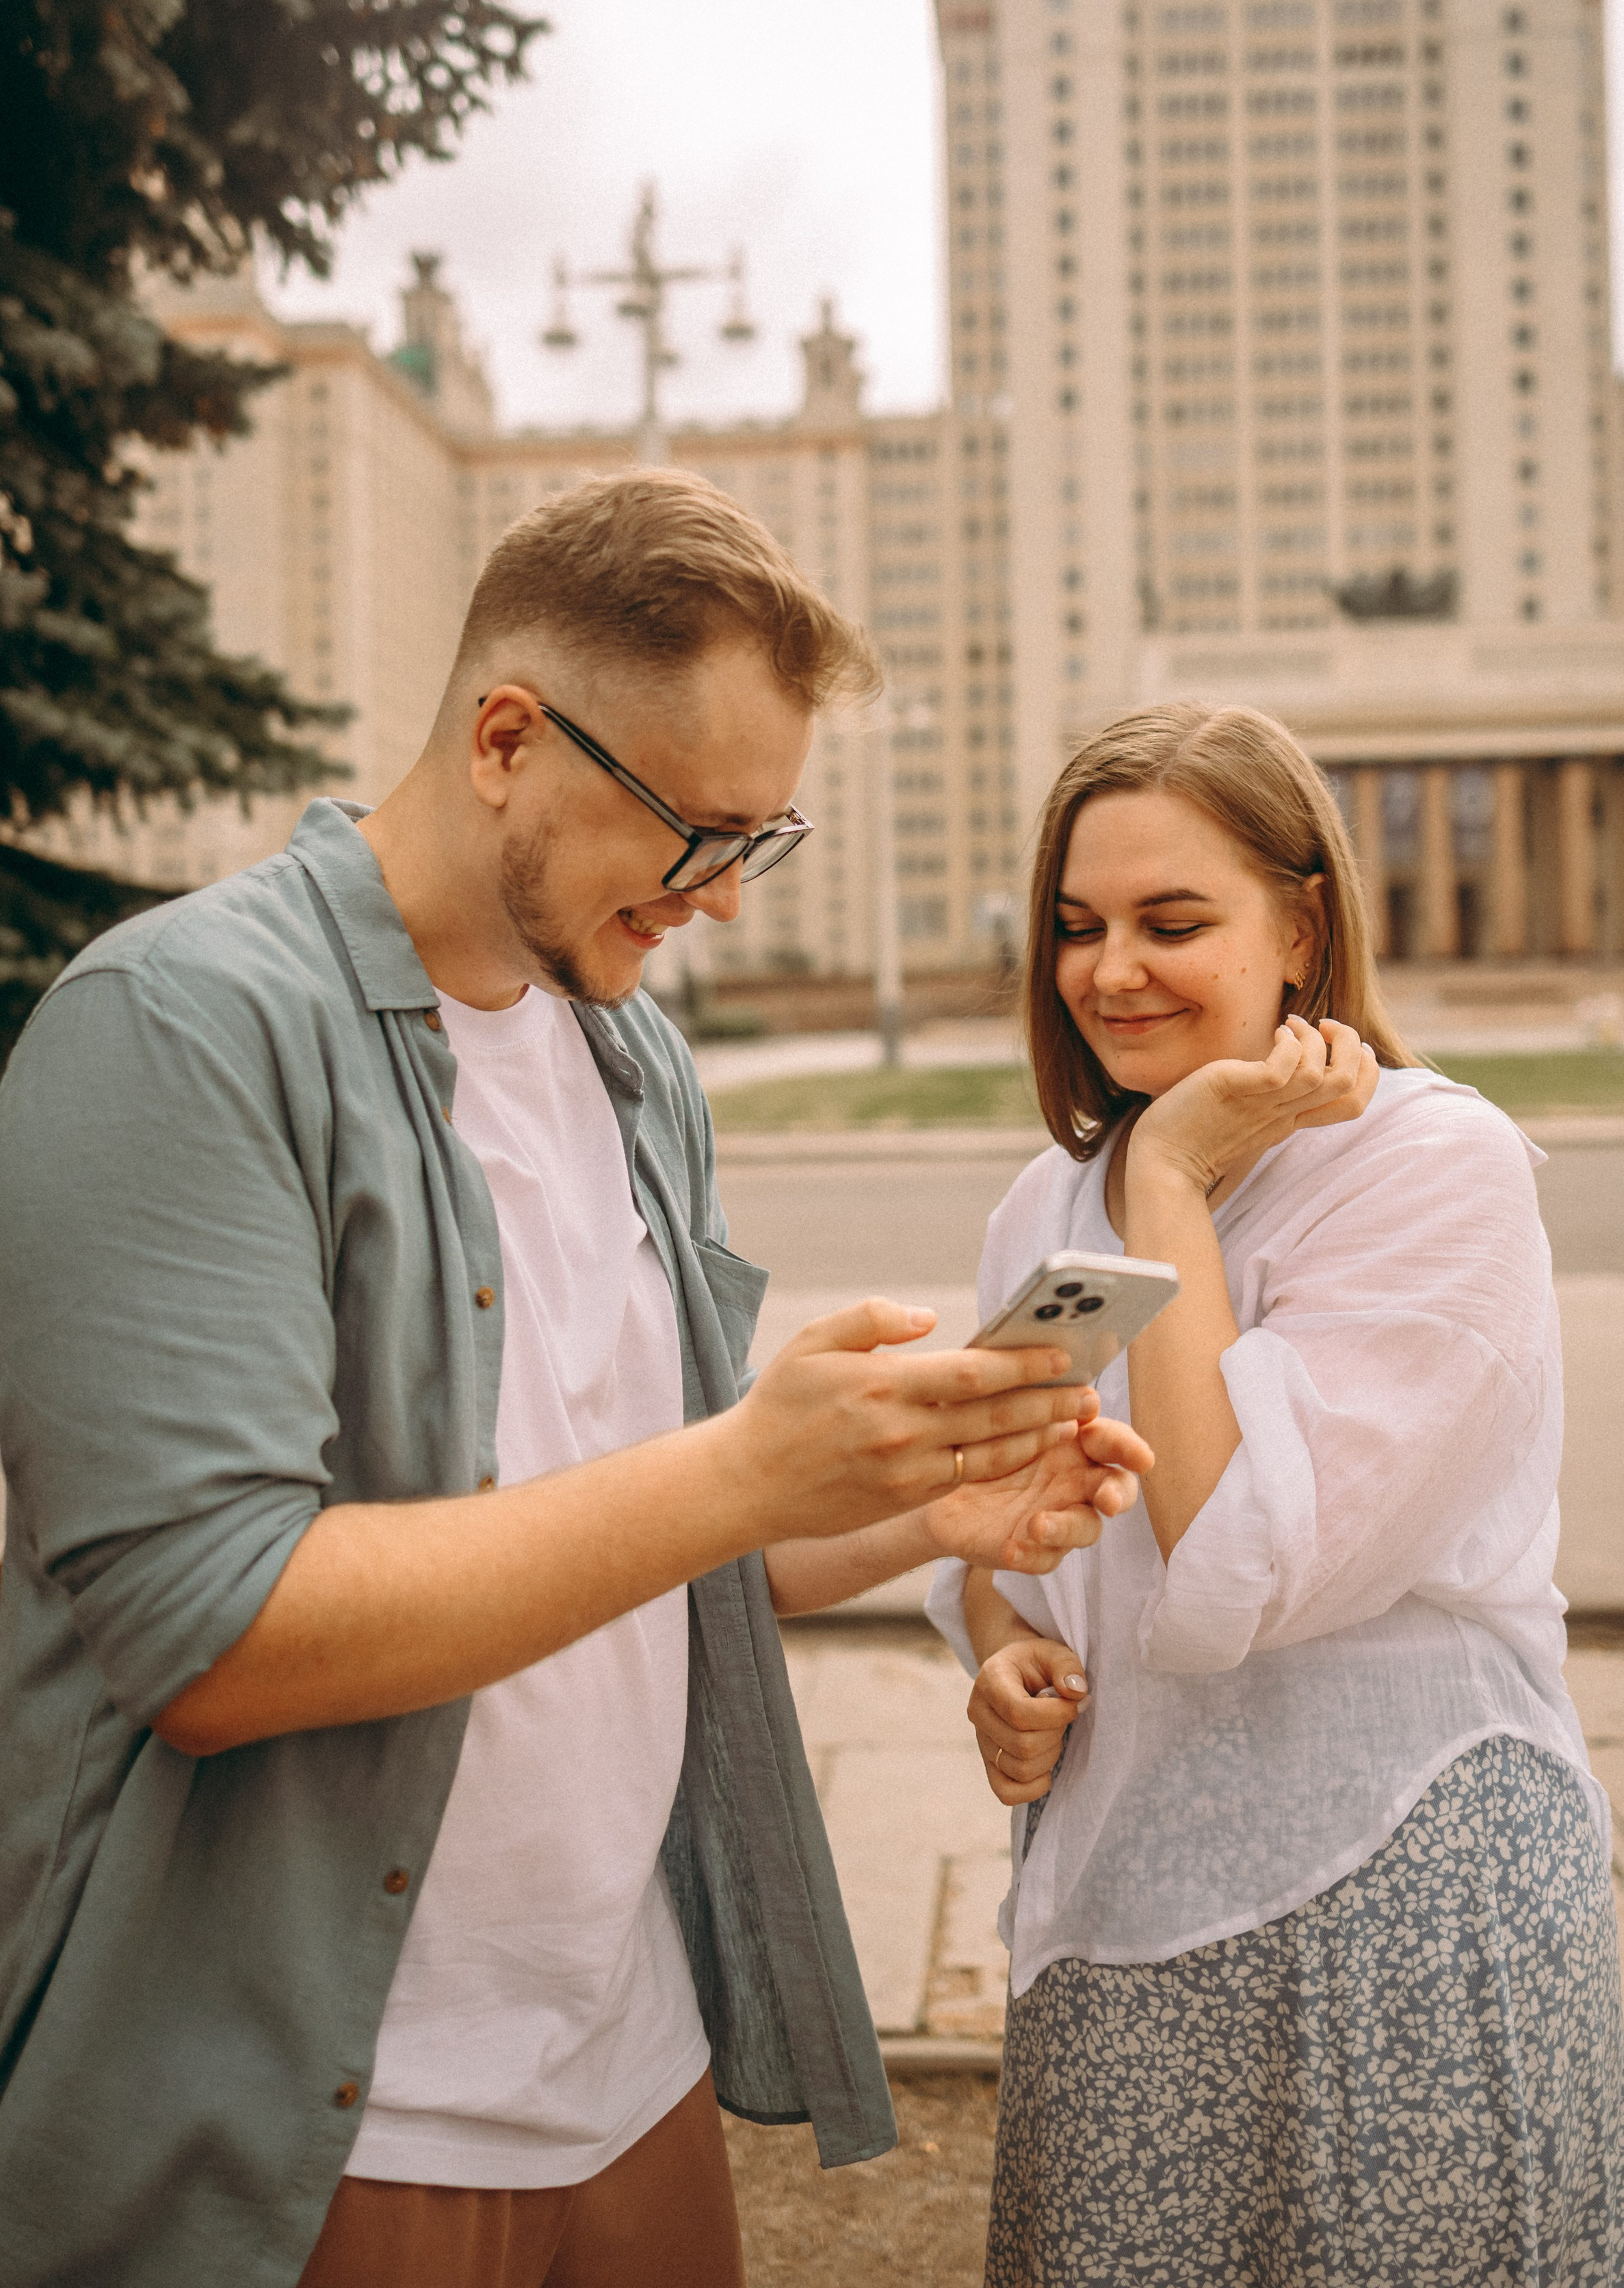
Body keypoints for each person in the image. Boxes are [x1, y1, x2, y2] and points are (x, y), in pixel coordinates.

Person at [0, 469, 1151, 2288]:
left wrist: (923, 1503)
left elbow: (654, 1544)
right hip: (338, 2109)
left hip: (633, 2065)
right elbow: (211, 1642)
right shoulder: (177, 1029)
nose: (720, 899)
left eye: (759, 843)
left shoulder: (637, 1066)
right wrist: (747, 1469)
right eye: (697, 832)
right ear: (509, 739)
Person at [928, 702, 1624, 2287]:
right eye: (1075, 926)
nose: (1109, 970)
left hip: (1397, 1891)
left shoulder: (1430, 1166)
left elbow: (1236, 1562)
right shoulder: (1041, 1206)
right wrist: (997, 1645)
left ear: (1302, 923)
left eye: (1170, 922)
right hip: (1119, 1911)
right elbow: (996, 1516)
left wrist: (1172, 1181)